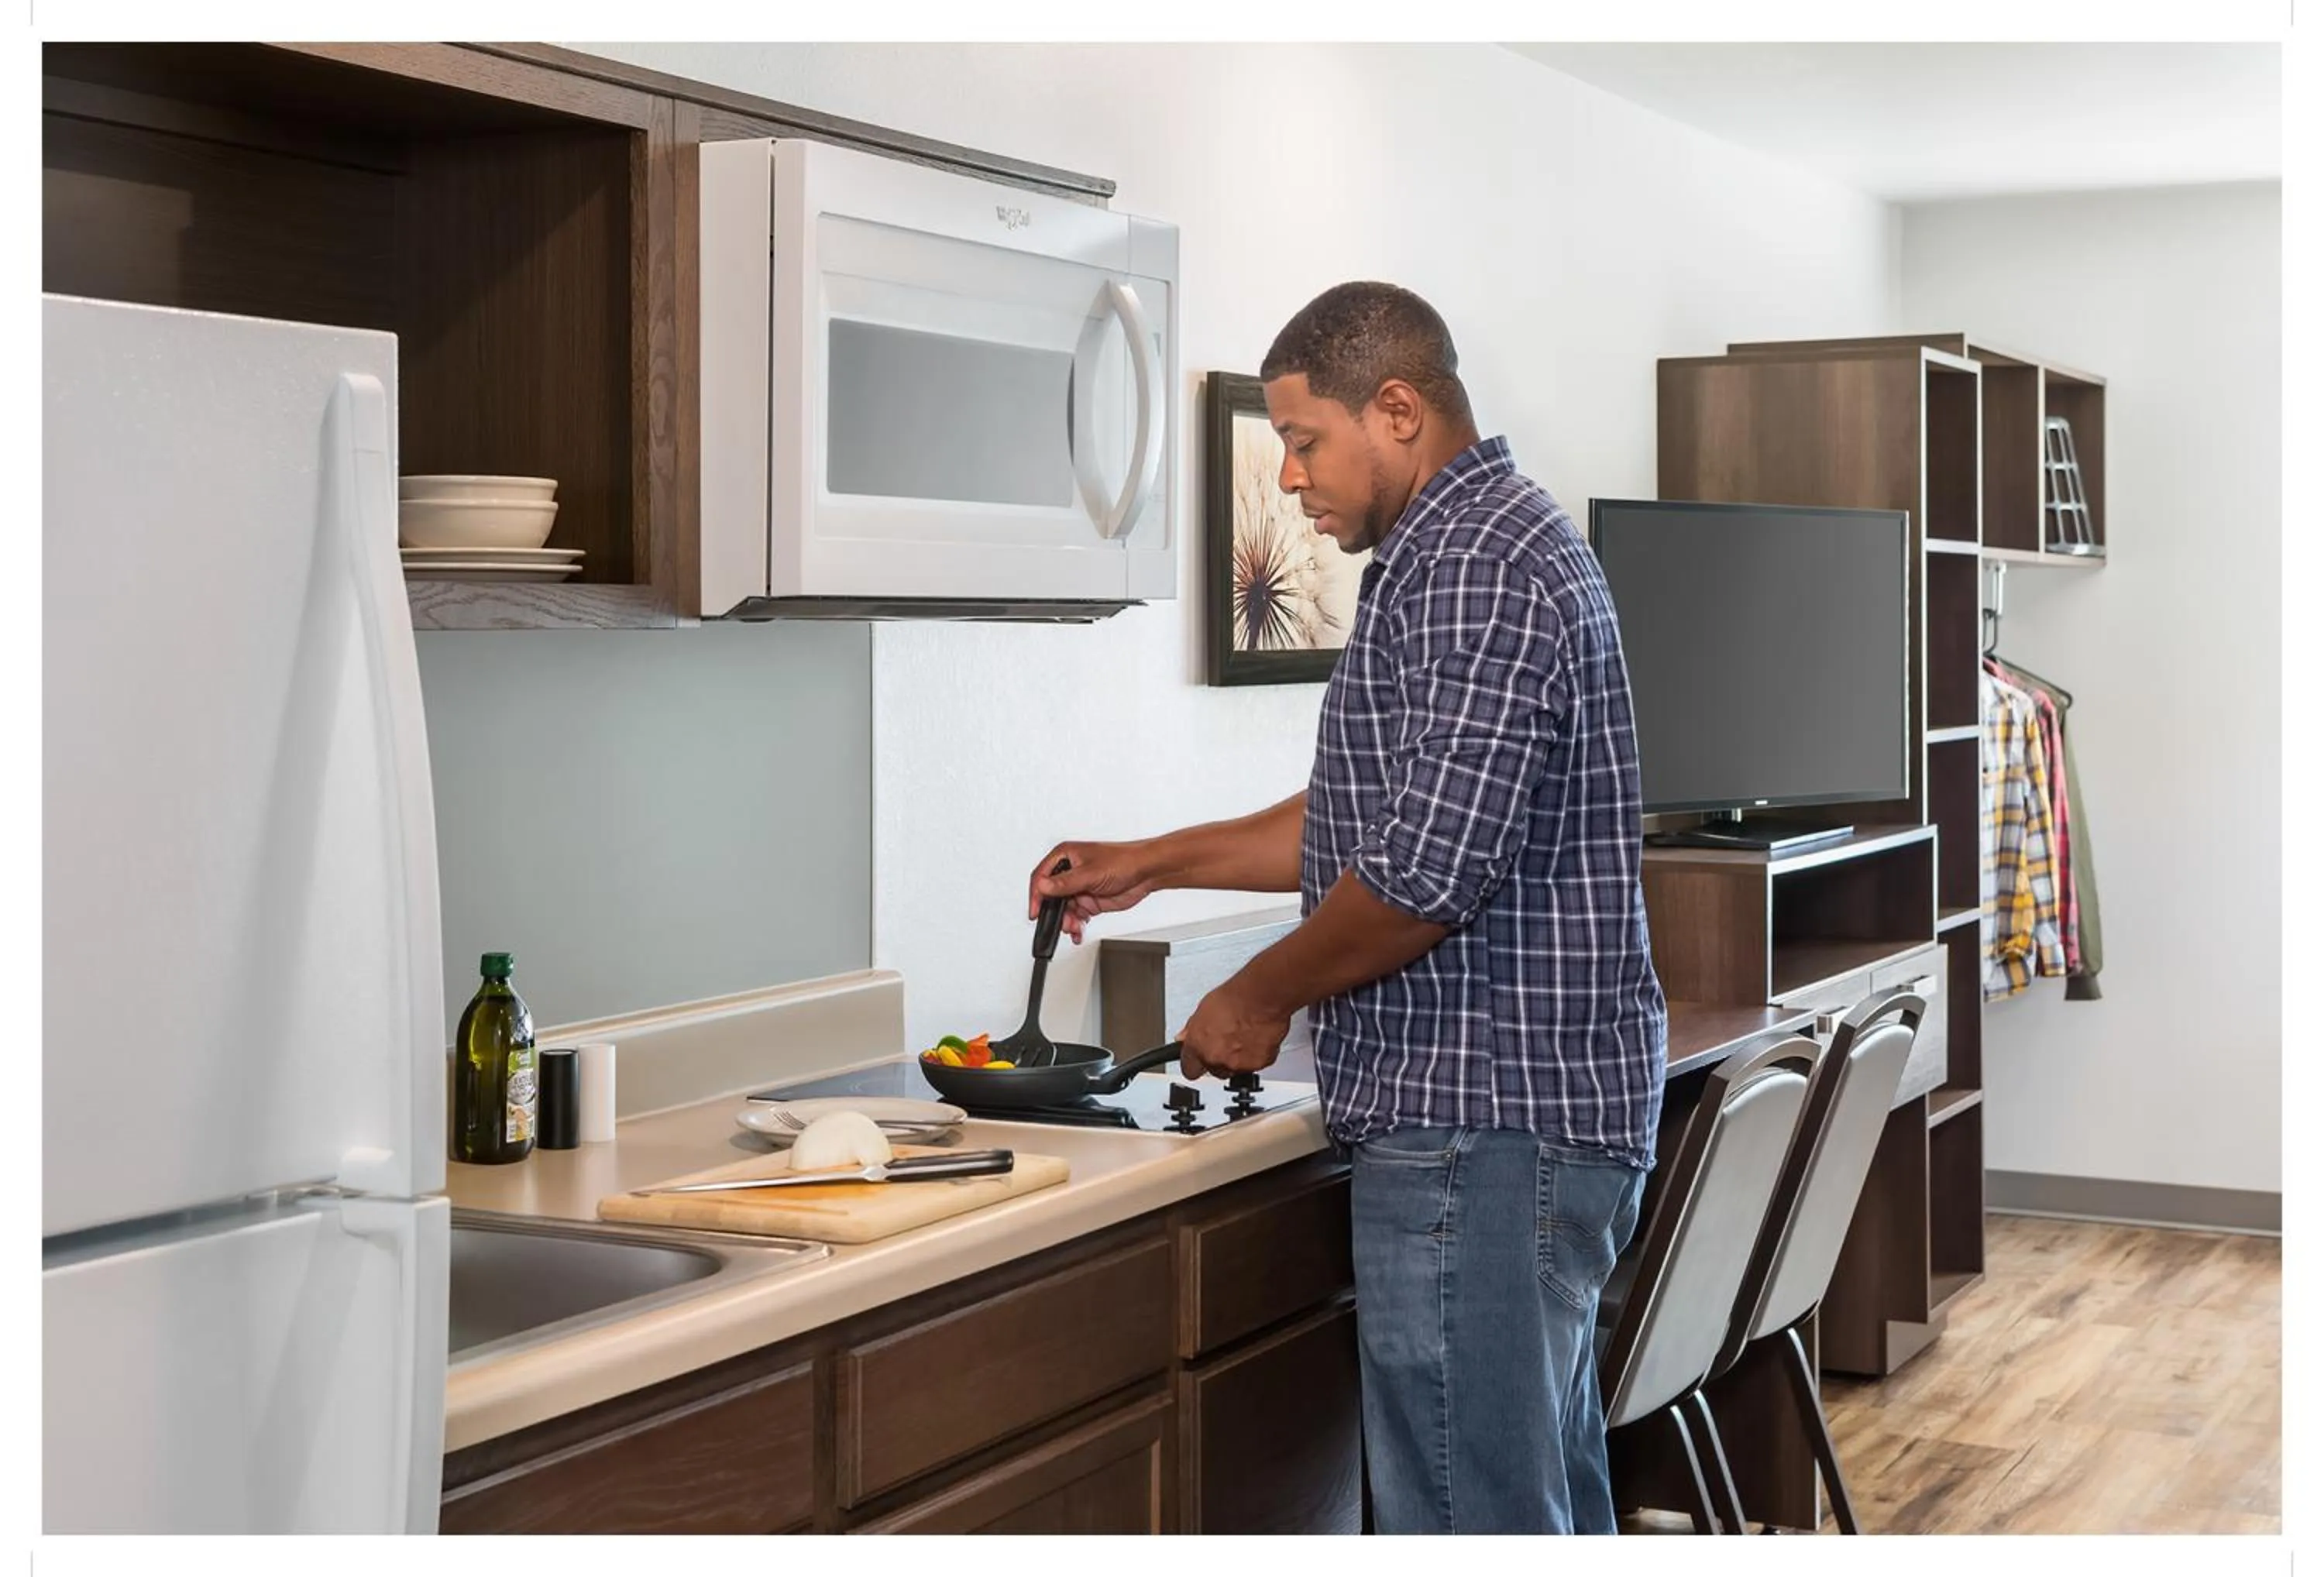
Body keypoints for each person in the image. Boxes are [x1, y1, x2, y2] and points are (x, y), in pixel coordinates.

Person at [1028, 281, 1666, 1535]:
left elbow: (1424, 876)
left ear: (1397, 409)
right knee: (1534, 1506)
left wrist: (1254, 994)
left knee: (1466, 1521)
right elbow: (1369, 820)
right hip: (1513, 1125)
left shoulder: (1477, 570)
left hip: (1483, 1129)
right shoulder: (1475, 551)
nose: (1291, 477)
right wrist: (1153, 861)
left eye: (1306, 442)